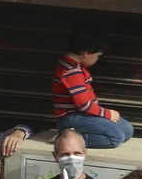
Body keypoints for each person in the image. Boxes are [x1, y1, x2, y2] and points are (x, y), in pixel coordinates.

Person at [53, 21, 134, 149]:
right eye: (97, 56)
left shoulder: (73, 65)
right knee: (116, 137)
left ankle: (74, 134)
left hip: (82, 116)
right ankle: (67, 140)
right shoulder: (71, 72)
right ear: (86, 52)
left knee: (127, 130)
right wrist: (107, 114)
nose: (97, 60)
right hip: (71, 119)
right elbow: (83, 105)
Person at [39, 131, 115, 179]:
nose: (72, 159)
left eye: (77, 153)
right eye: (65, 154)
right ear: (55, 156)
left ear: (84, 153)